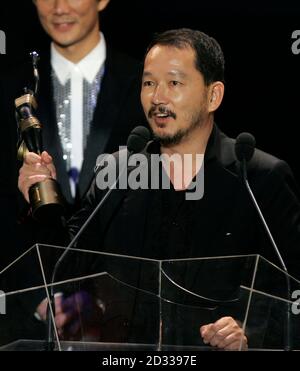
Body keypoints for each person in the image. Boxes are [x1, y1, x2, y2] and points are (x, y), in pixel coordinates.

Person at [18, 28, 300, 350]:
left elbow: (290, 292)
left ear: (213, 96)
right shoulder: (118, 172)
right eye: (149, 83)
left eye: (174, 83)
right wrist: (41, 198)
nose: (158, 98)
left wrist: (248, 331)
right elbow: (67, 267)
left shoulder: (260, 178)